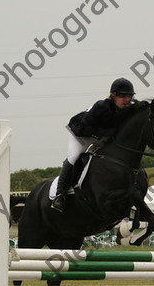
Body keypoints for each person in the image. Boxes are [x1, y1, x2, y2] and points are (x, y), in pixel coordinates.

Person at [51, 77, 136, 212]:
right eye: (122, 96)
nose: (126, 100)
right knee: (74, 157)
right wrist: (109, 132)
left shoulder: (127, 108)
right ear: (113, 96)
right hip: (80, 134)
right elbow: (84, 128)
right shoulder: (101, 106)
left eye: (129, 96)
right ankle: (59, 195)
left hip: (99, 138)